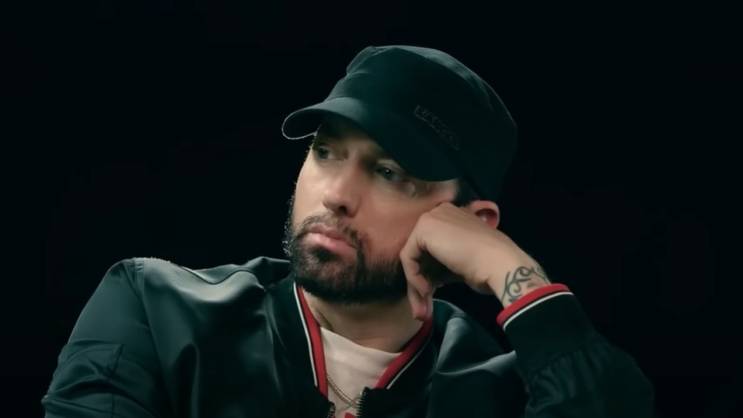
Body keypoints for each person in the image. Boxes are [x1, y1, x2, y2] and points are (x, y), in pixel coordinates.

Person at [42, 45, 655, 418]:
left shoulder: (502, 393)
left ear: (472, 223)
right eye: (326, 151)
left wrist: (509, 270)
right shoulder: (157, 309)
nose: (336, 194)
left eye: (388, 172)